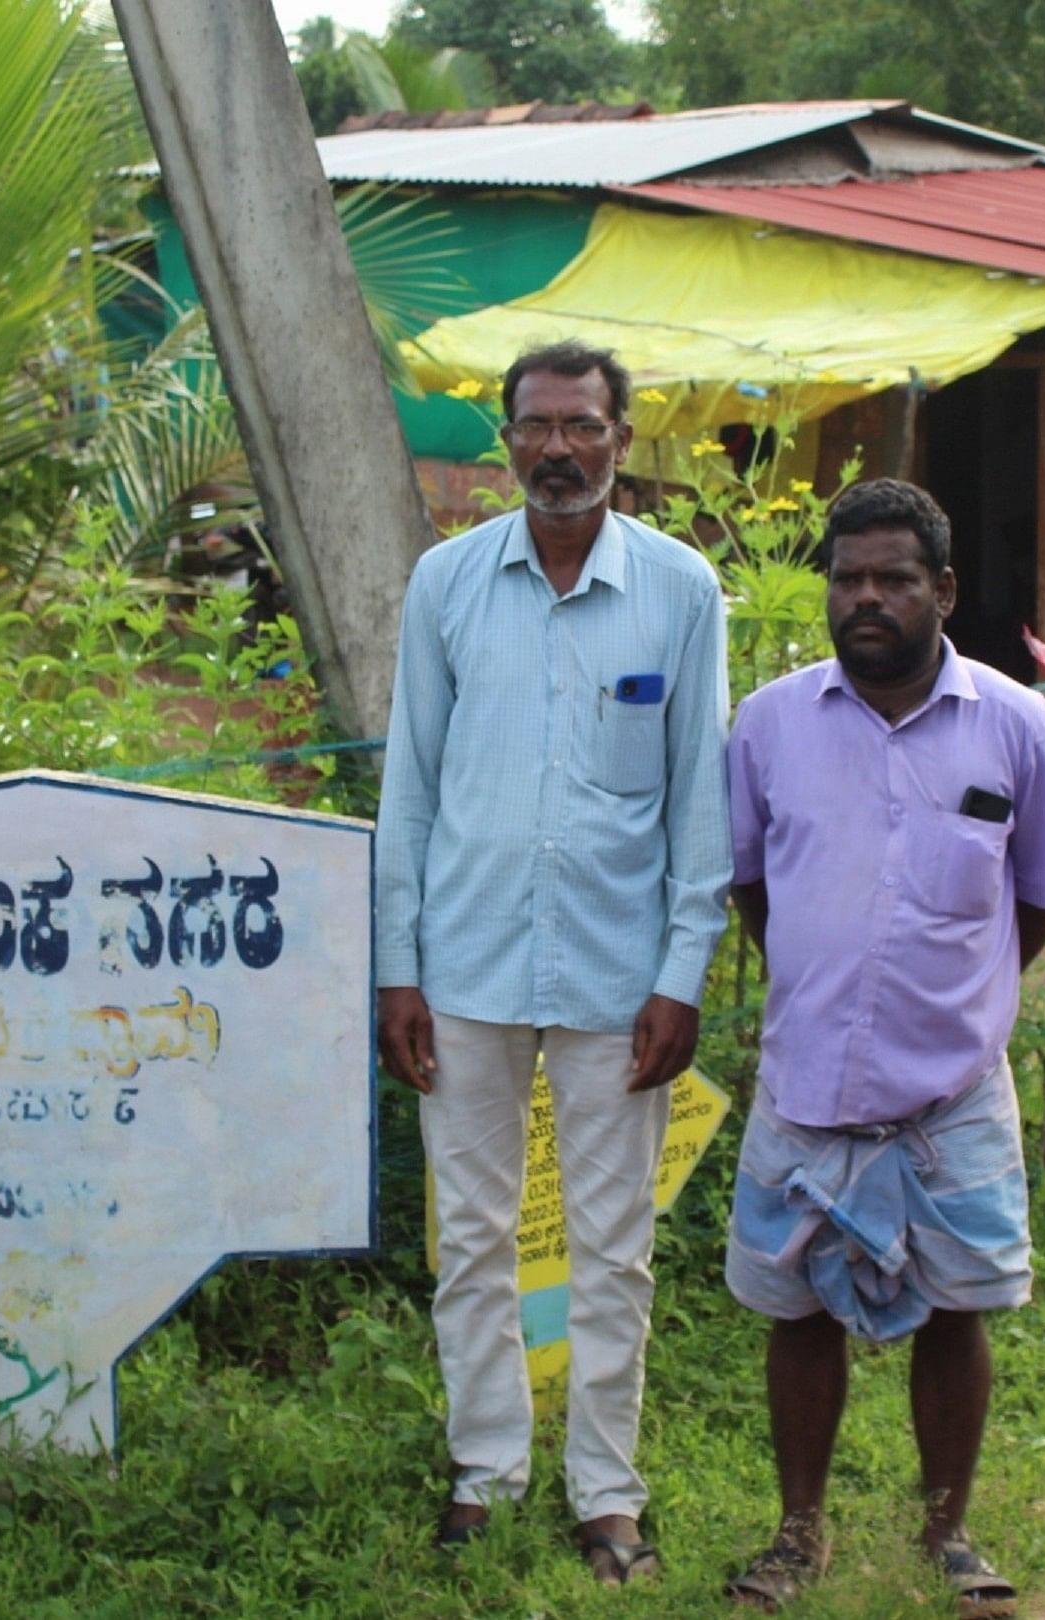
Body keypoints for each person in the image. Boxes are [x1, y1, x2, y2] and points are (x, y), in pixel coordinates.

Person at [373, 339, 730, 1585]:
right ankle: (484, 1474)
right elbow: (407, 787)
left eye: (584, 425)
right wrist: (395, 968)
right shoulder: (447, 585)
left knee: (612, 1247)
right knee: (470, 1238)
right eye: (537, 426)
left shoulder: (680, 593)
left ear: (622, 441)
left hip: (617, 981)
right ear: (507, 439)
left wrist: (683, 973)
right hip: (463, 968)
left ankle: (608, 1497)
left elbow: (700, 804)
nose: (560, 448)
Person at [722, 478, 1045, 1619]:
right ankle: (799, 1532)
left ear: (946, 591)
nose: (866, 598)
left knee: (958, 1306)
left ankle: (949, 1530)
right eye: (849, 579)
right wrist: (825, 984)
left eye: (894, 578)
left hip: (953, 1090)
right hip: (807, 1077)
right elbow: (750, 886)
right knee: (798, 1314)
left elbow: (1041, 902)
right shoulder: (770, 721)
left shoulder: (1018, 726)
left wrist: (958, 1000)